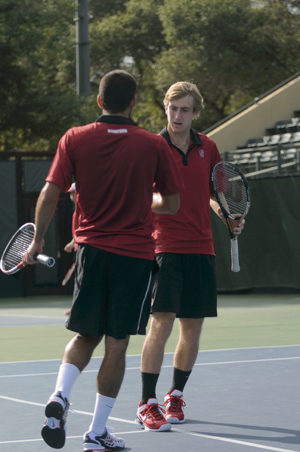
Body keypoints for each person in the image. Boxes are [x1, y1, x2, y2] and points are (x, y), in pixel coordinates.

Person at [23, 69, 184, 451]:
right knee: (116, 344)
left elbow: (49, 195)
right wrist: (144, 199)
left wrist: (38, 238)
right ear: (133, 102)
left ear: (100, 101)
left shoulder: (74, 138)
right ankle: (96, 433)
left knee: (84, 335)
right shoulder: (152, 145)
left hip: (91, 253)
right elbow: (173, 204)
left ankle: (60, 396)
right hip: (134, 257)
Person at [135, 81, 245, 431]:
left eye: (185, 110)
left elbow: (215, 194)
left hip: (202, 248)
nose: (178, 115)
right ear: (165, 109)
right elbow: (138, 195)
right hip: (164, 247)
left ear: (196, 113)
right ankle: (147, 401)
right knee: (162, 324)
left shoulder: (208, 147)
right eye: (173, 108)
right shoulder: (151, 147)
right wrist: (162, 204)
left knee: (192, 328)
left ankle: (175, 395)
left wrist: (227, 216)